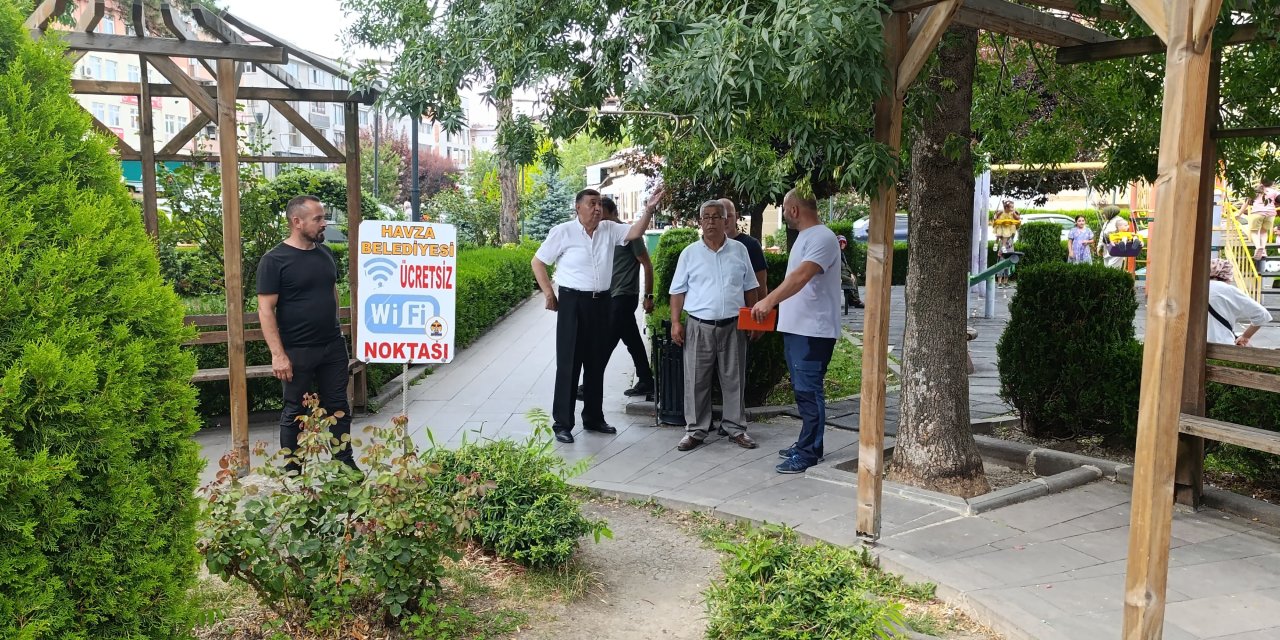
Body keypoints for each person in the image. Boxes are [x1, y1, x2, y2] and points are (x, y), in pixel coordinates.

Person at [532, 188, 660, 444]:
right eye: (592, 203)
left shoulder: (609, 230)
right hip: (572, 303)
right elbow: (538, 262)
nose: (597, 208)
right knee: (569, 363)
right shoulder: (563, 232)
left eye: (600, 204)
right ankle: (563, 423)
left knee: (595, 363)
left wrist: (648, 210)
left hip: (602, 301)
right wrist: (549, 294)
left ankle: (593, 417)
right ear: (578, 207)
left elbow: (635, 232)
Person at [257, 195, 358, 473]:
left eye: (323, 217)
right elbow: (265, 310)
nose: (324, 223)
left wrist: (336, 328)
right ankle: (293, 472)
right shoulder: (274, 260)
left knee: (339, 406)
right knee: (295, 411)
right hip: (297, 350)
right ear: (296, 221)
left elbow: (331, 291)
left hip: (332, 346)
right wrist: (278, 355)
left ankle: (345, 466)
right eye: (318, 219)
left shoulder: (324, 253)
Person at [750, 189, 842, 474]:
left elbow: (801, 277)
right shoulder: (807, 237)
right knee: (803, 391)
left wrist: (768, 300)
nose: (784, 212)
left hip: (813, 331)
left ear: (793, 210)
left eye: (784, 208)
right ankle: (807, 442)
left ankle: (810, 451)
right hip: (799, 329)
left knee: (808, 391)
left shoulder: (822, 238)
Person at [669, 200, 762, 451]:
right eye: (706, 217)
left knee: (734, 379)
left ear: (726, 221)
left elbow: (750, 287)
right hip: (699, 326)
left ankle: (735, 428)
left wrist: (752, 320)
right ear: (700, 222)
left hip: (733, 326)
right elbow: (677, 292)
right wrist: (676, 322)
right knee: (696, 380)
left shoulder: (740, 251)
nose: (711, 221)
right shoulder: (689, 253)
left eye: (716, 217)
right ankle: (696, 430)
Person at [602, 197, 656, 398]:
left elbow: (647, 264)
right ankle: (646, 379)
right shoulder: (603, 235)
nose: (600, 221)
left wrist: (648, 295)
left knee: (606, 339)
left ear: (614, 213)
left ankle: (591, 380)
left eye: (604, 217)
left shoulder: (629, 235)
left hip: (625, 295)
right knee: (631, 338)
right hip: (610, 295)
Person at [1207, 258, 1272, 346]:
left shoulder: (1193, 288)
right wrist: (1245, 336)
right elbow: (1262, 315)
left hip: (1192, 348)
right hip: (1222, 346)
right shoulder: (1228, 290)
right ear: (1228, 275)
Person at [720, 198, 769, 297]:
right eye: (721, 217)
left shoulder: (751, 245)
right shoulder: (707, 248)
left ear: (737, 216)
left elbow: (761, 286)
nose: (725, 221)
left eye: (729, 216)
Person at [1244, 179, 1278, 260]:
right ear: (1272, 183)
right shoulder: (1275, 192)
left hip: (1257, 213)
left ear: (1261, 182)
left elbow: (1245, 203)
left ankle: (1258, 247)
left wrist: (1239, 214)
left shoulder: (1255, 191)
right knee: (1264, 232)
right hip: (1270, 214)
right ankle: (1263, 250)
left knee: (1254, 231)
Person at [836, 235, 863, 312]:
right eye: (840, 242)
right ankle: (855, 300)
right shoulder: (835, 254)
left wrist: (851, 274)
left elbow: (846, 266)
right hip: (838, 275)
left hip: (845, 274)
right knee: (849, 280)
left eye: (844, 242)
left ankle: (855, 299)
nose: (842, 244)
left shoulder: (842, 254)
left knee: (854, 278)